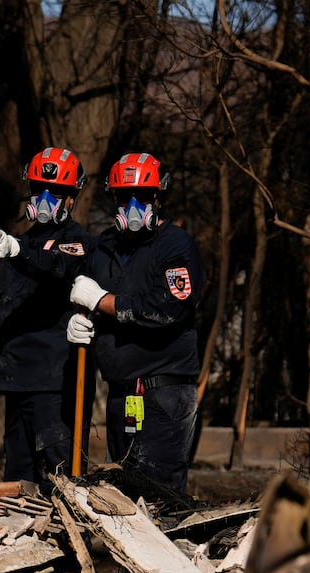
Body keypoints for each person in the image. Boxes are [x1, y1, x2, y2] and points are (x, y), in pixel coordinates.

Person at [0, 147, 98, 483]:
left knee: (63, 483)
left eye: (56, 192)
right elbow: (2, 310)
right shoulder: (18, 245)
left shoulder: (79, 243)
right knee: (17, 481)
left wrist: (17, 250)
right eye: (38, 189)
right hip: (17, 382)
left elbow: (56, 267)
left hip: (58, 386)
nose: (45, 199)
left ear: (72, 198)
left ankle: (68, 538)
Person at [68, 151, 207, 494]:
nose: (133, 205)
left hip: (164, 395)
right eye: (124, 196)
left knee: (159, 495)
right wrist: (82, 320)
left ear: (157, 197)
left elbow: (167, 308)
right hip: (121, 393)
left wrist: (103, 302)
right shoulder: (104, 248)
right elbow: (81, 291)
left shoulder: (175, 246)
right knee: (124, 495)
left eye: (142, 196)